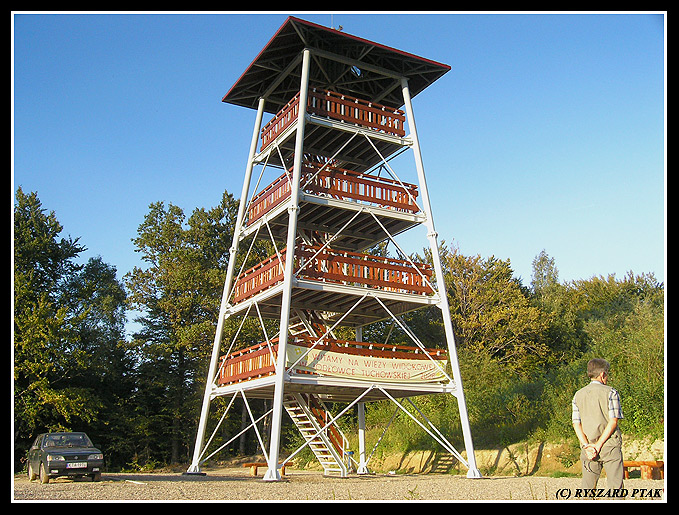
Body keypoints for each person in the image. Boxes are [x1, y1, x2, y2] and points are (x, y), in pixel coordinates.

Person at [571, 358, 624, 491]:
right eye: (607, 373)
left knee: (587, 490)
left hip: (588, 447)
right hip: (609, 445)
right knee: (615, 489)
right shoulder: (611, 392)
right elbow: (613, 421)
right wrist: (598, 445)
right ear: (602, 374)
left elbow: (576, 424)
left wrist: (586, 446)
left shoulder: (578, 395)